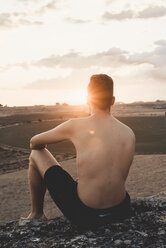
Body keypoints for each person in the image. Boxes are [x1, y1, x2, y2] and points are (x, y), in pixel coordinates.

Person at [22, 74, 135, 228]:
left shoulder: (75, 125)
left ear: (88, 99)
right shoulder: (129, 133)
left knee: (36, 154)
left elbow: (33, 142)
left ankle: (37, 214)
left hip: (86, 214)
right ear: (113, 100)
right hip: (121, 210)